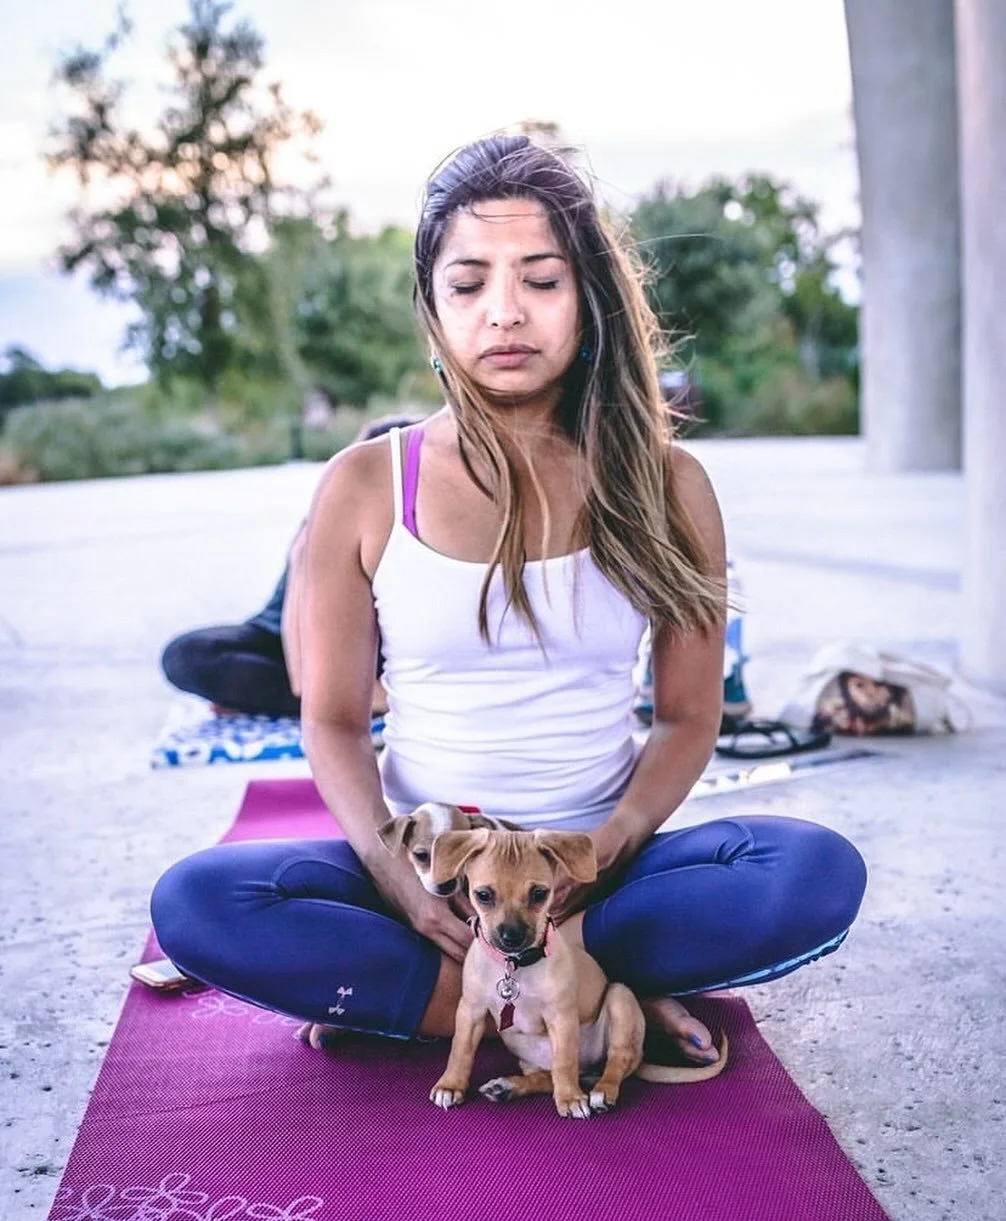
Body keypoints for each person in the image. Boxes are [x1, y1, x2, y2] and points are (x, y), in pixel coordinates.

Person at [151, 135, 866, 1064]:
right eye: (469, 283)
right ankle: (544, 998)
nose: (505, 313)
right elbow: (329, 720)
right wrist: (400, 881)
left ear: (588, 296)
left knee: (807, 874)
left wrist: (604, 847)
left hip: (602, 876)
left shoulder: (668, 483)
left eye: (540, 279)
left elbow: (689, 717)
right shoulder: (368, 484)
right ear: (432, 304)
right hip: (431, 880)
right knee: (200, 901)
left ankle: (471, 994)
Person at [158, 413, 422, 719]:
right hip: (286, 644)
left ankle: (327, 700)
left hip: (374, 650)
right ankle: (359, 703)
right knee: (187, 656)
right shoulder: (328, 520)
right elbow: (301, 666)